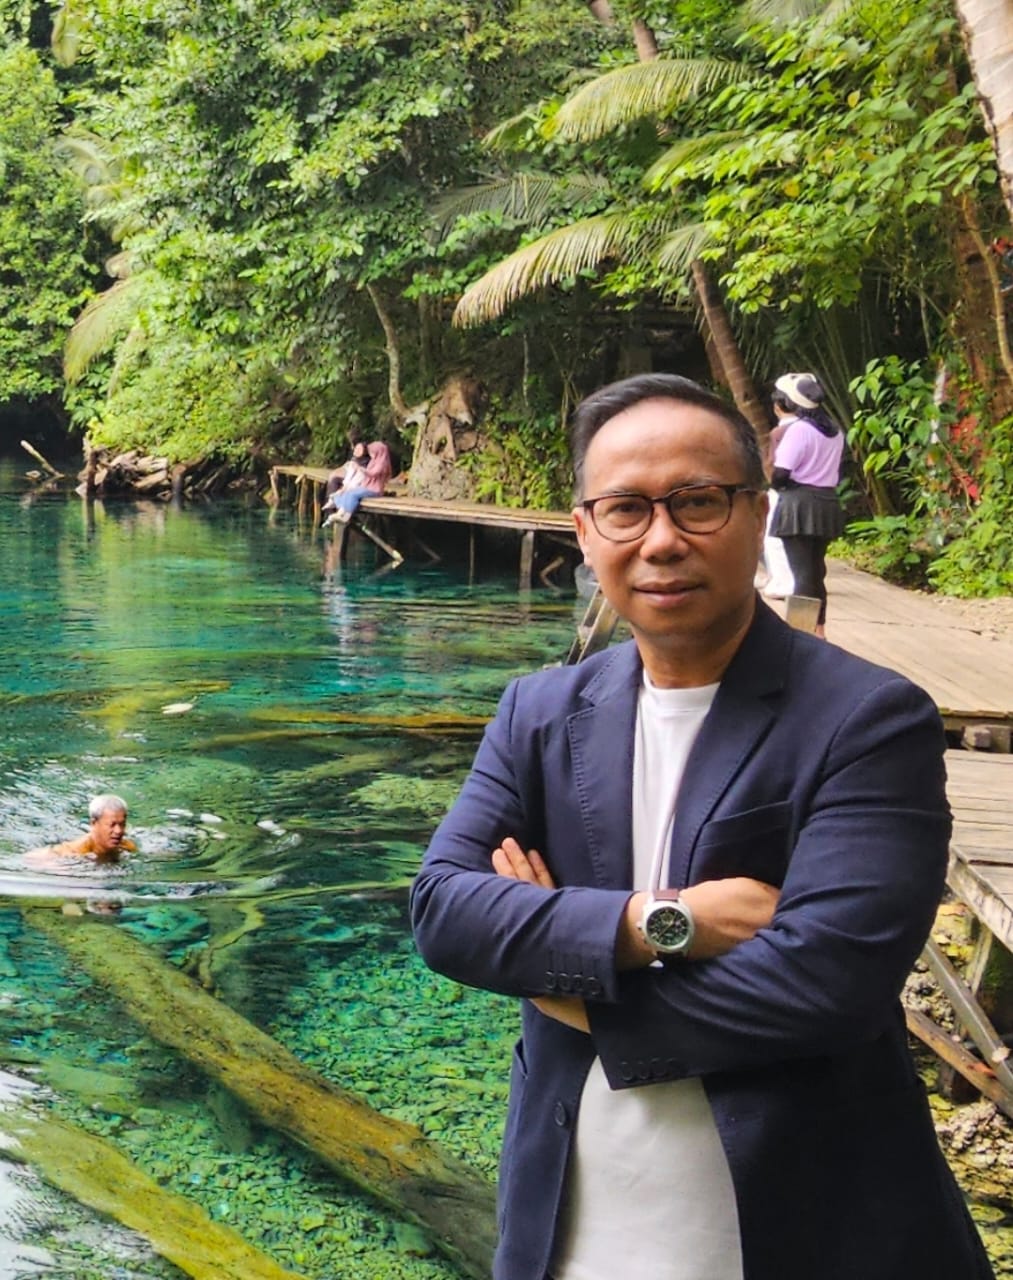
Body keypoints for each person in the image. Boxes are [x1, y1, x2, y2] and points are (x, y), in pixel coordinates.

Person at [410, 372, 994, 1280]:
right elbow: (443, 912)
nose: (661, 540)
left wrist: (555, 975)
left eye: (696, 502)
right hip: (570, 1231)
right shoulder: (538, 710)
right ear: (583, 531)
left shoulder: (868, 719)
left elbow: (824, 984)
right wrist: (654, 925)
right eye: (625, 510)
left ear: (757, 515)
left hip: (806, 1231)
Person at [767, 372, 846, 636]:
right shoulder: (835, 430)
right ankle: (819, 629)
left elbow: (780, 473)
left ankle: (798, 634)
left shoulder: (799, 430)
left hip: (799, 503)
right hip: (826, 501)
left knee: (801, 572)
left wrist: (780, 488)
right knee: (815, 570)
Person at [25, 793, 136, 866]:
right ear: (94, 823)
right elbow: (30, 858)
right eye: (112, 825)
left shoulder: (127, 847)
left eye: (122, 824)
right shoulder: (74, 852)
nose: (118, 831)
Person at [322, 440, 393, 526]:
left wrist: (359, 468)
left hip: (374, 490)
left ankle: (346, 516)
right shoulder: (373, 461)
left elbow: (373, 473)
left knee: (353, 495)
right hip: (366, 486)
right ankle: (340, 512)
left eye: (372, 452)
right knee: (347, 492)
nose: (370, 454)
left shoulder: (382, 463)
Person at [321, 439, 370, 520]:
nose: (356, 451)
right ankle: (331, 505)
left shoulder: (365, 463)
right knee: (333, 479)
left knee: (343, 488)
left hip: (358, 484)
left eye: (359, 450)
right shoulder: (354, 460)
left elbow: (358, 478)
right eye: (356, 449)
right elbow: (349, 474)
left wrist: (345, 487)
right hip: (350, 482)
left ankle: (336, 509)